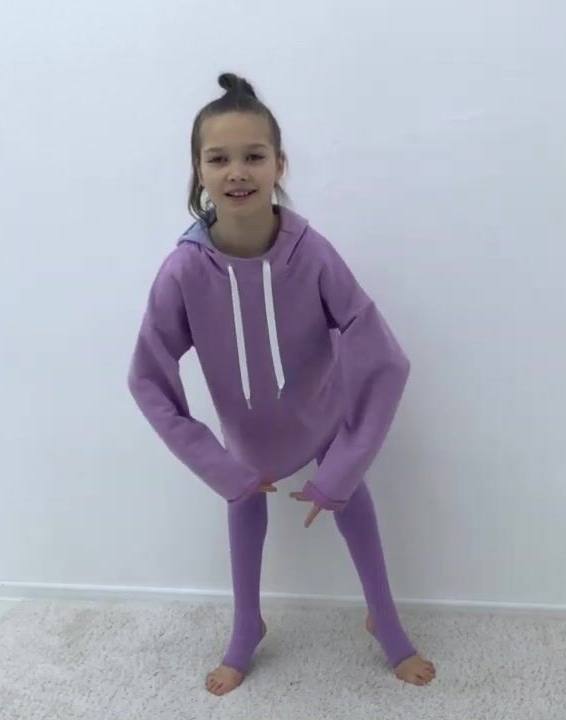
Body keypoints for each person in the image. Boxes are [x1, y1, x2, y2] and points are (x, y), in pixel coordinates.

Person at [128, 72, 436, 696]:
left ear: (278, 164)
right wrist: (218, 465)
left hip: (322, 419)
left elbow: (383, 355)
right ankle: (246, 626)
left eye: (254, 156)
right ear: (198, 171)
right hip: (246, 438)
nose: (237, 171)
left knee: (352, 498)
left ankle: (385, 619)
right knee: (243, 505)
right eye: (219, 158)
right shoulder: (184, 271)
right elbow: (148, 379)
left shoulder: (311, 253)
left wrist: (343, 465)